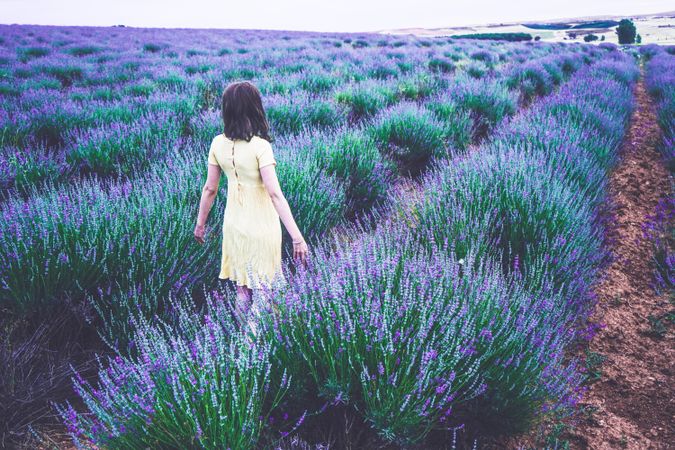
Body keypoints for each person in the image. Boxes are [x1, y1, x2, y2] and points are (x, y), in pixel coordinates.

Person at [193, 80, 309, 340]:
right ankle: (249, 350)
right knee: (265, 292)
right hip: (262, 228)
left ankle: (240, 339)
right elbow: (275, 194)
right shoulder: (260, 147)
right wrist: (297, 237)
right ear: (254, 109)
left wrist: (200, 224)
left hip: (234, 226)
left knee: (243, 288)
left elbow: (209, 190)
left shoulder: (217, 144)